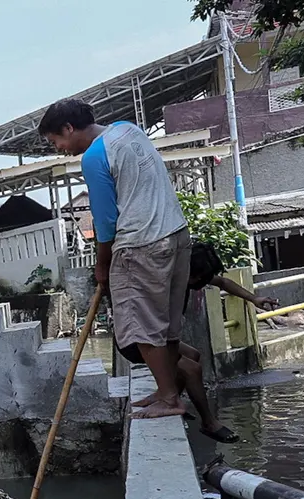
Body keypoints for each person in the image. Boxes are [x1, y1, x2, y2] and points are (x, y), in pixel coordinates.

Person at [38, 99, 190, 419]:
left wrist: (102, 264)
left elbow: (105, 221)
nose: (61, 149)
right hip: (176, 234)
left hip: (141, 243)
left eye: (57, 141)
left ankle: (169, 398)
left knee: (141, 326)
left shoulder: (94, 157)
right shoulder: (128, 130)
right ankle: (168, 391)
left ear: (69, 128)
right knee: (167, 327)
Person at [112, 241, 278, 443]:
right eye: (200, 278)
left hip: (160, 339)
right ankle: (209, 422)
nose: (202, 282)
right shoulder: (167, 280)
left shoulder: (184, 273)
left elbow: (224, 283)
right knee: (191, 369)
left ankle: (167, 395)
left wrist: (254, 299)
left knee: (193, 355)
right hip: (138, 341)